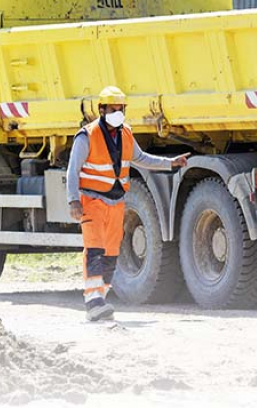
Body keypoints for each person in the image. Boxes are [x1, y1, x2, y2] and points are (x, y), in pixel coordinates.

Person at [66, 86, 189, 322]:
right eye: (113, 108)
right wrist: (73, 201)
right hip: (91, 202)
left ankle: (100, 297)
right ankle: (93, 301)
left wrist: (170, 163)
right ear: (101, 109)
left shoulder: (125, 135)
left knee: (111, 252)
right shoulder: (86, 136)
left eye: (121, 108)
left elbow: (141, 159)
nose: (118, 112)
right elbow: (73, 171)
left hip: (116, 203)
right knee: (94, 250)